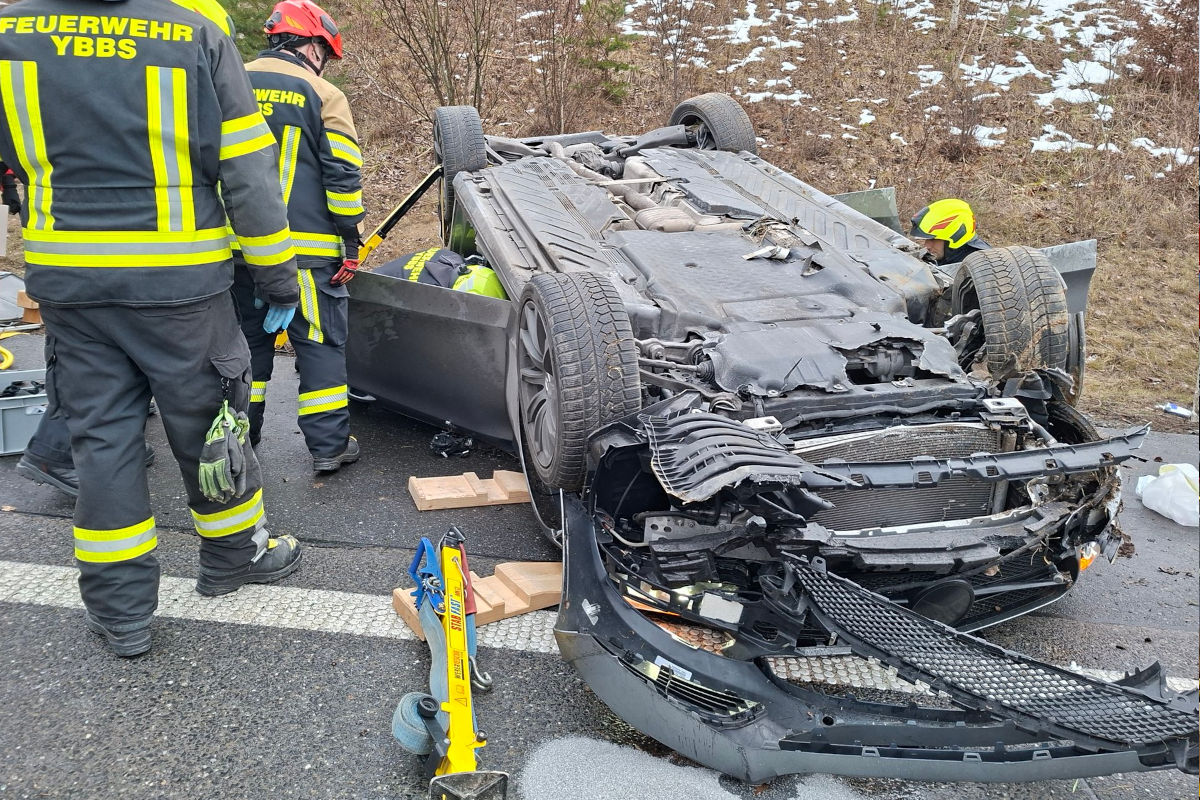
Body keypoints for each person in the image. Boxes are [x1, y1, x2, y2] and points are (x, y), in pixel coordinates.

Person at [0, 0, 304, 657]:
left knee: (102, 440)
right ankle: (234, 557)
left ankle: (121, 613)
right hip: (180, 284)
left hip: (71, 283)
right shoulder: (192, 32)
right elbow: (247, 168)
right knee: (209, 425)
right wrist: (277, 275)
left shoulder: (10, 32)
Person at [230, 0, 364, 473]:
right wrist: (351, 241)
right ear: (311, 45)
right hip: (304, 252)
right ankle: (328, 447)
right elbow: (342, 175)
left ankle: (241, 438)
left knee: (245, 343)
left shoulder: (226, 81)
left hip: (234, 249)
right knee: (320, 344)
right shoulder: (323, 93)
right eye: (324, 52)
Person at [909, 198, 990, 265]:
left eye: (933, 239)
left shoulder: (983, 265)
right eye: (927, 239)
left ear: (956, 236)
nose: (927, 246)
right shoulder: (945, 256)